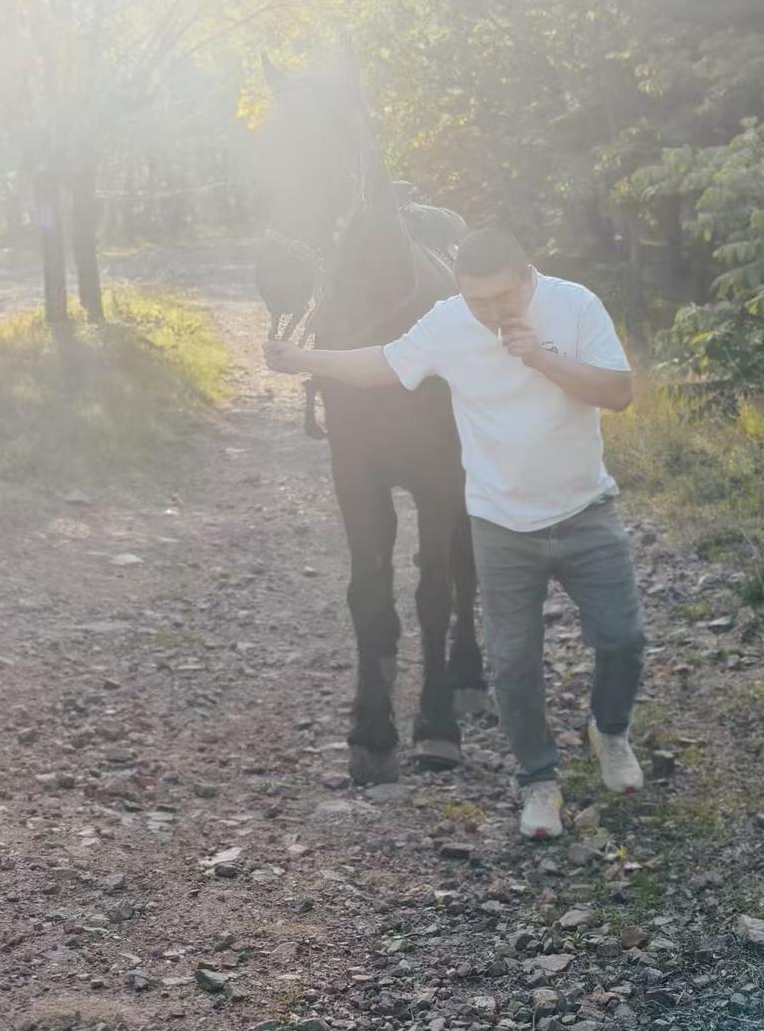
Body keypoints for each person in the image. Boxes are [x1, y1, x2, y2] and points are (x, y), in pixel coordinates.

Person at [264, 227, 646, 839]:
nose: (490, 313)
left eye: (501, 298)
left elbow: (620, 393)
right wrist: (305, 359)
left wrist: (539, 356)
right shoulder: (449, 322)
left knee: (623, 639)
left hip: (585, 511)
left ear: (528, 277)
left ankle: (610, 729)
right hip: (500, 524)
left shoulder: (574, 304)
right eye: (476, 302)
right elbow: (383, 363)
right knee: (515, 664)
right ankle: (538, 781)